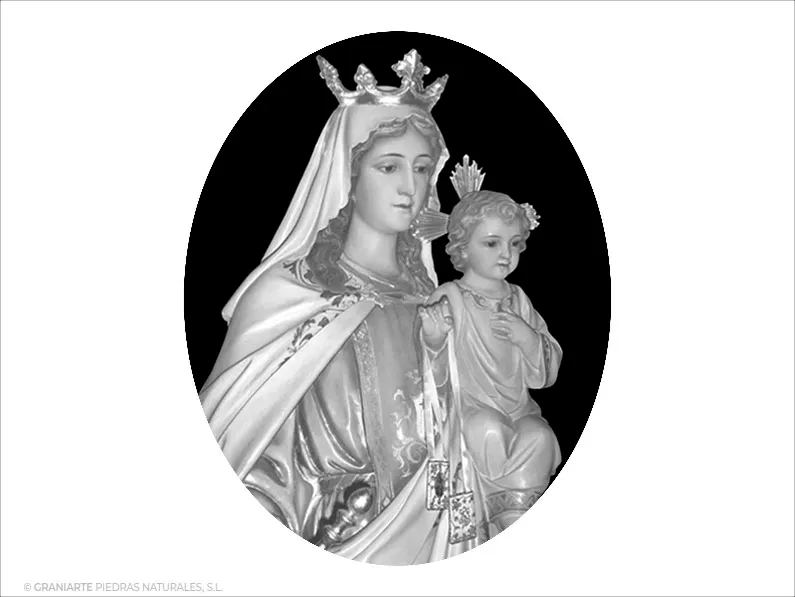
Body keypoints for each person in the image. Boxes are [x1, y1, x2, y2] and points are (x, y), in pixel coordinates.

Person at [199, 50, 480, 564]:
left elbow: (460, 445)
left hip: (433, 538)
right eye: (389, 167)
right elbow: (241, 451)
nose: (410, 187)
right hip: (328, 538)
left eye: (422, 169)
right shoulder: (286, 300)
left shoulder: (440, 301)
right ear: (346, 173)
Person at [418, 157, 563, 539]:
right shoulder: (450, 297)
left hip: (519, 409)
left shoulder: (518, 299)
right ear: (462, 247)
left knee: (540, 436)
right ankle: (484, 525)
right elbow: (425, 364)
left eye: (514, 244)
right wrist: (433, 337)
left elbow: (544, 374)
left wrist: (526, 337)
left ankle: (515, 519)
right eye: (492, 243)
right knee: (486, 430)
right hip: (471, 409)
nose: (506, 254)